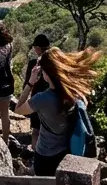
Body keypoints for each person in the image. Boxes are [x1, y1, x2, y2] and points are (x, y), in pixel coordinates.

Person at [14, 46, 99, 176]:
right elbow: (84, 105)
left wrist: (30, 83)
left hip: (45, 155)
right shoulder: (74, 94)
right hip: (66, 153)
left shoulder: (42, 99)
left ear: (46, 74)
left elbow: (18, 109)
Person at [19, 34, 51, 151]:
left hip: (37, 99)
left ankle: (36, 154)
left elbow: (26, 84)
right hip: (53, 98)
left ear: (37, 48)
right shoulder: (56, 61)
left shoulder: (34, 63)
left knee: (36, 130)